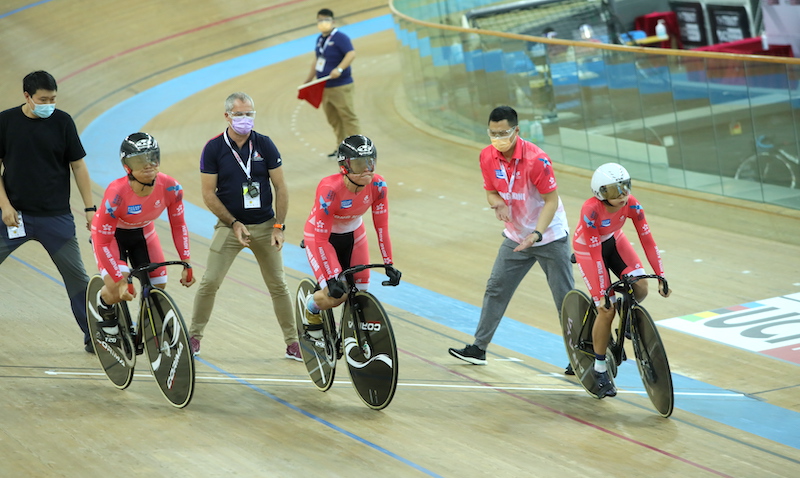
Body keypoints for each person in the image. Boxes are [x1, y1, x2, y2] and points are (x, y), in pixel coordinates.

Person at [448, 106, 574, 365]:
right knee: (496, 288)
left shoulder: (537, 160)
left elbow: (551, 202)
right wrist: (498, 203)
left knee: (565, 300)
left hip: (548, 237)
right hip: (516, 237)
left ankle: (582, 358)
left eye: (503, 132)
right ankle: (479, 348)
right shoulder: (487, 156)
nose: (497, 138)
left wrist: (537, 234)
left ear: (517, 130)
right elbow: (490, 191)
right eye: (492, 133)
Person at [190, 92, 300, 360]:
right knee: (209, 282)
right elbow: (208, 194)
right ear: (227, 116)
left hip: (264, 226)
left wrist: (279, 226)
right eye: (239, 114)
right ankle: (193, 337)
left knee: (279, 286)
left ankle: (293, 342)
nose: (245, 119)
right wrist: (233, 222)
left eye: (249, 114)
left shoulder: (265, 144)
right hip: (230, 228)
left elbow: (281, 187)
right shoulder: (214, 148)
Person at [0, 70, 96, 353]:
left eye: (53, 99)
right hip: (14, 216)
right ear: (27, 97)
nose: (49, 104)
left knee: (78, 278)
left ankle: (95, 334)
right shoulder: (5, 122)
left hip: (56, 217)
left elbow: (78, 166)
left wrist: (90, 208)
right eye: (43, 99)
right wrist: (5, 206)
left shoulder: (63, 122)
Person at [572, 162, 670, 398]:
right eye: (616, 190)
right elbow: (597, 257)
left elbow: (648, 240)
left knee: (641, 288)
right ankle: (599, 368)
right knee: (607, 309)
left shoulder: (632, 204)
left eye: (625, 187)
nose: (624, 194)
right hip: (589, 249)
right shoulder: (591, 210)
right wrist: (604, 295)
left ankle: (625, 323)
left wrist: (661, 274)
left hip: (614, 240)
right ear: (601, 193)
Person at [90, 133, 195, 341]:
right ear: (127, 167)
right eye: (140, 160)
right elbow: (102, 241)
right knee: (117, 288)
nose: (148, 165)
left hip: (143, 233)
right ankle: (105, 308)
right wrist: (120, 281)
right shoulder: (116, 193)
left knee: (159, 284)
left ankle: (146, 325)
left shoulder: (171, 187)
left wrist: (186, 261)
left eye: (152, 157)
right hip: (112, 238)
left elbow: (179, 224)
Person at [301, 135, 400, 343]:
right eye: (359, 164)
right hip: (322, 239)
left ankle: (351, 329)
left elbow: (381, 228)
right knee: (338, 295)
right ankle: (311, 307)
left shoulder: (379, 185)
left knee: (363, 291)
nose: (367, 169)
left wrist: (389, 263)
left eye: (370, 162)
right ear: (344, 167)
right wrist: (330, 280)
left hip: (354, 234)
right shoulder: (330, 190)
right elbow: (320, 239)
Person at [304, 8, 360, 157]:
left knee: (348, 117)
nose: (323, 23)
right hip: (325, 86)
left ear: (333, 21)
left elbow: (351, 53)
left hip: (341, 86)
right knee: (334, 119)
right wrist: (308, 80)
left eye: (326, 20)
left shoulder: (340, 38)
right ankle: (341, 147)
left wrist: (339, 69)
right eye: (320, 20)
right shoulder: (320, 40)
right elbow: (317, 60)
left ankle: (358, 148)